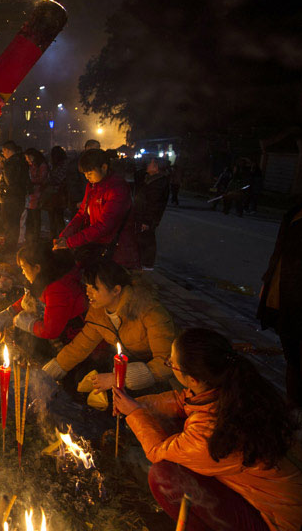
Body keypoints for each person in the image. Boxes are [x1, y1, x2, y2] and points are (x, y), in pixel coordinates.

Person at [114, 329, 302, 531]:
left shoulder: (211, 430)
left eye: (171, 362)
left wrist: (134, 412)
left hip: (277, 523)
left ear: (193, 379)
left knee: (164, 475)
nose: (167, 362)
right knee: (173, 427)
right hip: (273, 496)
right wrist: (136, 404)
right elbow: (182, 401)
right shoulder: (230, 388)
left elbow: (157, 451)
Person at [42, 259, 175, 392]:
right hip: (128, 364)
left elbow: (167, 363)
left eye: (94, 288)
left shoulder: (149, 311)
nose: (88, 293)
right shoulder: (99, 313)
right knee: (82, 377)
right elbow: (79, 347)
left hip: (160, 376)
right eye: (87, 286)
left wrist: (116, 378)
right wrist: (45, 376)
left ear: (116, 290)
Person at [0, 242, 87, 359]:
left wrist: (28, 324)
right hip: (61, 335)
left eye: (23, 267)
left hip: (71, 341)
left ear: (37, 268)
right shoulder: (45, 280)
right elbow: (24, 303)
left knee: (22, 328)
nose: (23, 272)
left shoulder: (57, 289)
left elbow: (52, 331)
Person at [54, 149, 140, 269]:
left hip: (117, 250)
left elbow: (104, 226)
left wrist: (70, 242)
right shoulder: (92, 186)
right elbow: (82, 214)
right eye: (84, 173)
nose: (87, 177)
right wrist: (64, 235)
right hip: (98, 246)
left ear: (104, 167)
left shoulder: (117, 189)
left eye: (90, 172)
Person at [258, 199, 302, 408]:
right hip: (286, 293)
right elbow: (281, 252)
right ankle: (293, 406)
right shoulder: (295, 212)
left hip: (294, 295)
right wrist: (268, 282)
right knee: (292, 355)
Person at [134, 157, 171, 270]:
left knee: (147, 239)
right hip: (143, 215)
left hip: (147, 218)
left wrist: (147, 221)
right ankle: (143, 262)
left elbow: (154, 204)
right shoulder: (150, 178)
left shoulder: (158, 182)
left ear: (156, 167)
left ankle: (147, 264)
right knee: (143, 238)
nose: (147, 166)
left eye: (150, 164)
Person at [0, 140, 29, 251]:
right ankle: (11, 246)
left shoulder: (10, 163)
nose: (3, 154)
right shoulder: (23, 161)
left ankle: (9, 247)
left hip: (11, 198)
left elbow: (10, 181)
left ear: (7, 150)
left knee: (9, 223)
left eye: (3, 151)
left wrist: (4, 167)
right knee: (15, 223)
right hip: (19, 196)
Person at [24, 148, 49, 244]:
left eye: (27, 157)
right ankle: (31, 236)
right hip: (31, 194)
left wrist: (31, 182)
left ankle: (35, 236)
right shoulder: (31, 166)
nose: (26, 159)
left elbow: (42, 178)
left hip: (38, 193)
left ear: (32, 156)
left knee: (36, 215)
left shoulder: (41, 165)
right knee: (31, 215)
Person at [45, 146, 69, 238]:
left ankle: (60, 237)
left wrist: (50, 179)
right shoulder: (55, 165)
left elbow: (57, 179)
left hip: (58, 195)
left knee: (58, 217)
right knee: (55, 217)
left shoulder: (62, 165)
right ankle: (55, 237)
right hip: (55, 195)